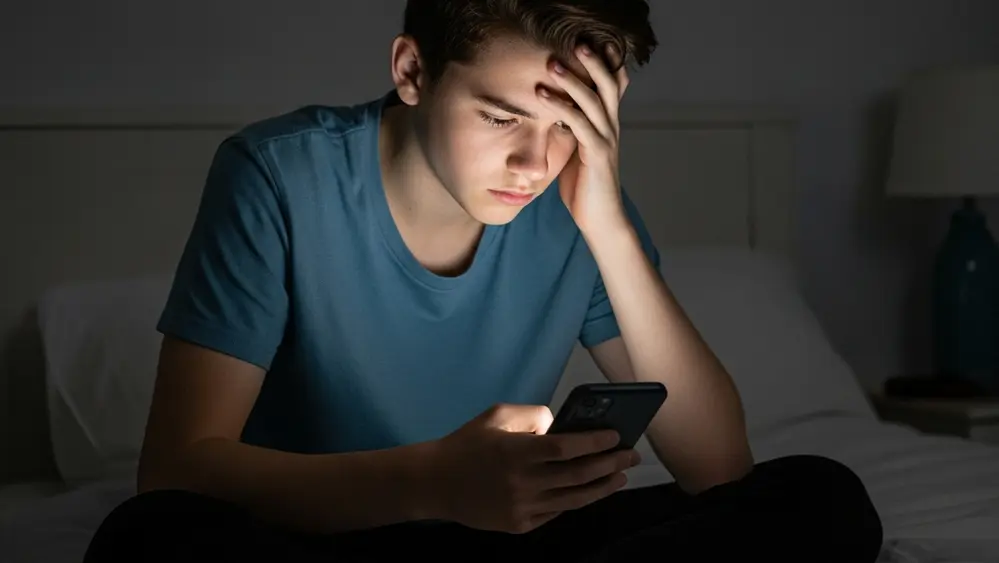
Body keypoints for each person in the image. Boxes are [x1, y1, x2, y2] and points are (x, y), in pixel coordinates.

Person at [83, 1, 883, 561]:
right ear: (412, 69)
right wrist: (431, 482)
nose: (535, 165)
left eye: (568, 127)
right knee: (147, 538)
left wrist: (606, 225)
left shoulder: (578, 198)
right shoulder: (277, 175)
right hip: (320, 536)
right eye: (501, 117)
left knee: (820, 494)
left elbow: (718, 471)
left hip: (510, 539)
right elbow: (179, 469)